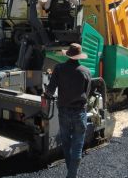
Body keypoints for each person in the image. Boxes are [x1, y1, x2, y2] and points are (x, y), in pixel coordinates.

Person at [44, 43, 91, 178]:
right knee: (77, 145)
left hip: (64, 111)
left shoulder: (59, 68)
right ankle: (72, 174)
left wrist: (46, 94)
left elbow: (51, 90)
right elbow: (87, 93)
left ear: (68, 54)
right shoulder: (86, 72)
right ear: (79, 56)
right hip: (79, 112)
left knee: (66, 142)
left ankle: (71, 174)